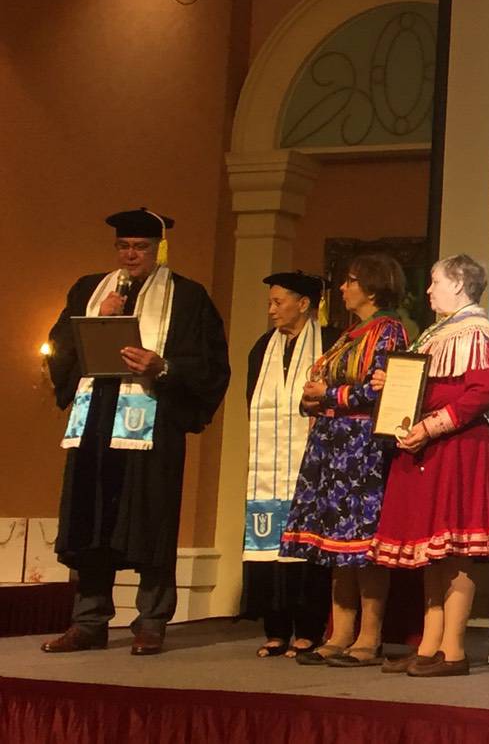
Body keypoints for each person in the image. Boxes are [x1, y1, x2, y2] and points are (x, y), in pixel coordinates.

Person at [42, 208, 230, 656]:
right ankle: (89, 622)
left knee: (152, 519)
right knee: (91, 521)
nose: (131, 255)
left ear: (158, 249)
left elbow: (210, 366)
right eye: (124, 246)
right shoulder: (89, 291)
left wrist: (162, 367)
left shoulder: (187, 297)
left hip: (152, 424)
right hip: (94, 423)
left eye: (141, 247)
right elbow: (59, 350)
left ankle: (151, 621)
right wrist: (94, 320)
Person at [369, 254, 489, 677]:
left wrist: (431, 425)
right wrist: (392, 383)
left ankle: (453, 650)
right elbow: (431, 386)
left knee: (455, 552)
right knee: (435, 552)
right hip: (432, 449)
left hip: (456, 447)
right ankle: (429, 645)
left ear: (457, 284)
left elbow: (483, 391)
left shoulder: (474, 331)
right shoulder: (440, 332)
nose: (428, 290)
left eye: (435, 281)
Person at [279, 253, 408, 668]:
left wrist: (330, 395)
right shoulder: (352, 333)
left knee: (362, 545)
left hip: (362, 446)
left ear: (372, 287)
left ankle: (369, 637)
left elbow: (381, 390)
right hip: (332, 444)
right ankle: (340, 633)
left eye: (351, 281)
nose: (343, 288)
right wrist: (311, 399)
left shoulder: (388, 331)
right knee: (337, 546)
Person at [240, 271, 339, 659]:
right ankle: (276, 629)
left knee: (308, 545)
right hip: (269, 467)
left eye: (278, 302)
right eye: (270, 302)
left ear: (304, 303)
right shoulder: (262, 348)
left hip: (312, 465)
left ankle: (309, 628)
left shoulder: (330, 344)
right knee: (269, 545)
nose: (271, 310)